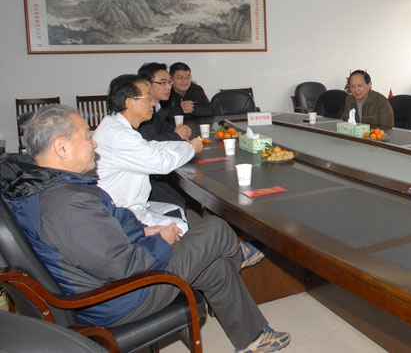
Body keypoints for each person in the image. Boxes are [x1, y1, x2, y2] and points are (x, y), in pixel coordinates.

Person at [0, 105, 290, 351]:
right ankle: (239, 255)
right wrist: (162, 240)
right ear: (62, 147)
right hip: (123, 296)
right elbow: (123, 266)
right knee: (215, 228)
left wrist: (144, 232)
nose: (94, 144)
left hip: (113, 278)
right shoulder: (65, 205)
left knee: (214, 265)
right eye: (87, 136)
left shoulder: (46, 185)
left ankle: (253, 337)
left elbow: (103, 233)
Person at [93, 74, 204, 233]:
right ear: (129, 102)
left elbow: (149, 146)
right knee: (179, 227)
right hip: (121, 214)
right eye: (147, 98)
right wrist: (190, 149)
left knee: (175, 209)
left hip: (124, 205)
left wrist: (182, 145)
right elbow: (162, 164)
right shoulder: (120, 136)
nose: (152, 103)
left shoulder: (115, 125)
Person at [137, 62, 192, 142]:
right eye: (162, 83)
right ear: (147, 85)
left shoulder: (158, 106)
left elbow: (164, 128)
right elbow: (147, 140)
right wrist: (177, 135)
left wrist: (182, 130)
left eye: (169, 82)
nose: (168, 87)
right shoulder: (141, 110)